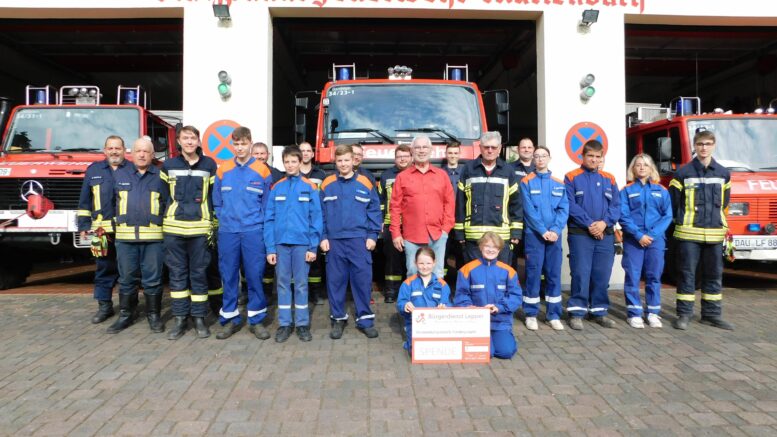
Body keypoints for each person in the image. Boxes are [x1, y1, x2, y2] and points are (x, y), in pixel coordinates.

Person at [669, 130, 734, 330]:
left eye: (707, 144)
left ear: (713, 145)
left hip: (714, 234)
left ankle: (711, 314)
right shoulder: (682, 173)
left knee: (714, 275)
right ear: (694, 147)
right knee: (687, 275)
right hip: (688, 234)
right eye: (700, 144)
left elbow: (724, 203)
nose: (703, 148)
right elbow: (674, 203)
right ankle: (684, 314)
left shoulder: (723, 173)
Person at [214, 127, 274, 340]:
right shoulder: (223, 169)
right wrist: (226, 220)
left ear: (250, 143)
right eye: (236, 144)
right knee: (228, 276)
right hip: (228, 232)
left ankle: (256, 320)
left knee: (255, 275)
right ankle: (230, 319)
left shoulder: (262, 171)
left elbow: (267, 206)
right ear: (232, 145)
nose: (240, 148)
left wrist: (260, 228)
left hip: (253, 232)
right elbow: (217, 202)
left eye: (243, 143)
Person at [161, 126, 218, 340]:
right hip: (174, 229)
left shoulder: (209, 165)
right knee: (177, 276)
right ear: (179, 142)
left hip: (200, 230)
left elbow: (214, 197)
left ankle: (199, 319)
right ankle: (179, 319)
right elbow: (161, 196)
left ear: (199, 142)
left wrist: (214, 224)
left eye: (193, 138)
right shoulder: (168, 165)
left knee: (199, 275)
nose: (189, 142)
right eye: (185, 138)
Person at [319, 144, 382, 339]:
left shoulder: (365, 182)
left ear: (353, 160)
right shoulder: (326, 183)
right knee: (335, 282)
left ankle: (365, 320)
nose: (343, 164)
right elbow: (319, 214)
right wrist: (322, 237)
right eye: (340, 161)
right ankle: (338, 319)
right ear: (335, 162)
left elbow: (374, 210)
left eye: (347, 160)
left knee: (362, 281)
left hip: (359, 241)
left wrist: (372, 236)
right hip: (334, 242)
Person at [264, 146, 323, 343]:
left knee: (301, 284)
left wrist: (312, 247)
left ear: (300, 162)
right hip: (281, 245)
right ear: (283, 163)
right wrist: (270, 248)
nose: (290, 165)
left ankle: (302, 324)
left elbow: (316, 219)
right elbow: (269, 219)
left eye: (293, 161)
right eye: (286, 162)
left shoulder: (310, 187)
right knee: (282, 284)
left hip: (301, 245)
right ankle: (284, 324)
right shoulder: (277, 187)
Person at [108, 137, 166, 334]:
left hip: (153, 239)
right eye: (138, 151)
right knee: (126, 279)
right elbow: (109, 204)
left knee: (153, 279)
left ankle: (154, 315)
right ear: (131, 154)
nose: (142, 155)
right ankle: (126, 314)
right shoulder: (119, 175)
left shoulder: (160, 176)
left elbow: (167, 204)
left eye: (146, 151)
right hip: (125, 239)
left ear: (152, 155)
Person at [564, 140, 620, 330]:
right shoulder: (571, 177)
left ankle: (599, 312)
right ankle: (577, 313)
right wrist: (590, 224)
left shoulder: (609, 179)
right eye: (590, 156)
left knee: (602, 274)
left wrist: (604, 223)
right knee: (580, 273)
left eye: (598, 157)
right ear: (583, 156)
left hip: (605, 234)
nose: (594, 160)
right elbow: (571, 205)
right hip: (580, 234)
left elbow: (616, 206)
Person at [77, 135, 128, 324]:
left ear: (124, 150)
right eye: (110, 148)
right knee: (104, 269)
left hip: (126, 231)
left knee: (128, 271)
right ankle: (104, 307)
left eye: (118, 148)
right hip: (102, 232)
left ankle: (127, 308)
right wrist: (83, 225)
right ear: (104, 150)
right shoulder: (94, 170)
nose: (114, 151)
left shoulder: (132, 169)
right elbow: (84, 201)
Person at [619, 154, 673, 329]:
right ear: (633, 169)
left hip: (655, 241)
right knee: (633, 277)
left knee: (654, 277)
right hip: (634, 240)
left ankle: (653, 313)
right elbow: (623, 216)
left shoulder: (662, 190)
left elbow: (667, 216)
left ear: (652, 169)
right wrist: (638, 235)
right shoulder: (626, 191)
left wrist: (652, 235)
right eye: (638, 165)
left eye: (646, 165)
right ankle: (634, 313)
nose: (642, 168)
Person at [390, 135, 455, 279]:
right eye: (417, 147)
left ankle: (436, 302)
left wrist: (445, 229)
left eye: (425, 147)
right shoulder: (402, 177)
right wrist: (396, 233)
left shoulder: (442, 175)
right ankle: (415, 302)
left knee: (437, 274)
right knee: (413, 273)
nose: (421, 150)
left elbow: (449, 203)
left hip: (438, 234)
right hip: (412, 236)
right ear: (412, 151)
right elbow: (395, 207)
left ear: (431, 150)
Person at [454, 131, 523, 264]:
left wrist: (516, 232)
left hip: (500, 238)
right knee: (475, 277)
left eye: (493, 147)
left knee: (500, 278)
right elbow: (460, 204)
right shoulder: (468, 169)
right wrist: (459, 232)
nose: (490, 150)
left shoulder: (508, 171)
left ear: (499, 149)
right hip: (473, 238)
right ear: (480, 148)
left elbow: (516, 204)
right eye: (486, 147)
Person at [520, 146, 568, 331]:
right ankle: (531, 314)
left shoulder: (559, 183)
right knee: (533, 273)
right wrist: (542, 231)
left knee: (553, 274)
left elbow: (564, 209)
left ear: (549, 158)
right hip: (535, 236)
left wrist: (555, 230)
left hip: (554, 237)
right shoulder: (526, 182)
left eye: (543, 156)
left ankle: (553, 315)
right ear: (532, 159)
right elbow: (529, 211)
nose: (540, 159)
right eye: (537, 156)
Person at [453, 232, 522, 359]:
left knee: (505, 352)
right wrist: (469, 308)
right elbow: (461, 296)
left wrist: (499, 307)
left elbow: (515, 297)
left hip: (500, 322)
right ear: (480, 247)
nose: (490, 250)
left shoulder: (509, 271)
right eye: (487, 246)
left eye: (494, 247)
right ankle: (487, 340)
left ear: (499, 249)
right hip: (475, 322)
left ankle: (498, 338)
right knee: (486, 353)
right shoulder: (466, 270)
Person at [396, 247, 451, 354]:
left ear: (434, 263)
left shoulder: (443, 285)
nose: (425, 267)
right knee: (418, 352)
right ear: (415, 263)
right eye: (421, 263)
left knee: (438, 351)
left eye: (428, 263)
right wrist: (405, 305)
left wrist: (445, 306)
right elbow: (400, 303)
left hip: (436, 327)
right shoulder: (407, 283)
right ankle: (409, 342)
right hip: (415, 325)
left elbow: (448, 304)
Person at [379, 144, 412, 303]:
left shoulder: (415, 173)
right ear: (395, 158)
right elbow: (381, 201)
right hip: (392, 224)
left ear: (411, 158)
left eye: (405, 156)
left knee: (411, 258)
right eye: (399, 156)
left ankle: (410, 290)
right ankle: (391, 291)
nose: (403, 159)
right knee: (392, 259)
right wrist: (380, 220)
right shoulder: (386, 175)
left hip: (412, 224)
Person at [299, 141, 328, 305]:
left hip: (314, 222)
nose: (305, 153)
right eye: (301, 151)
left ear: (312, 154)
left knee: (315, 260)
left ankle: (315, 294)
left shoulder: (321, 175)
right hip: (298, 222)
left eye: (308, 150)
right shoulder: (292, 173)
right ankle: (299, 295)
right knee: (297, 261)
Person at [441, 141, 464, 281]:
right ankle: (442, 283)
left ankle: (461, 283)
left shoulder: (465, 172)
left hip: (461, 218)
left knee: (461, 253)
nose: (453, 156)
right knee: (443, 251)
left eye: (455, 153)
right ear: (446, 154)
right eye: (450, 153)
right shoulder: (439, 172)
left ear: (459, 154)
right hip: (444, 219)